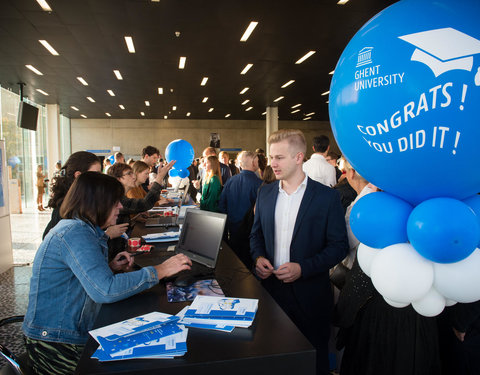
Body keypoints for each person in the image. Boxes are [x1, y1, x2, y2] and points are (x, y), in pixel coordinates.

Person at [23, 172, 191, 374]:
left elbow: (79, 278)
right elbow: (105, 290)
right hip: (57, 343)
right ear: (97, 203)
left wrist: (109, 268)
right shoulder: (76, 233)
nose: (120, 207)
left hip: (64, 332)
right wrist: (161, 270)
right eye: (115, 202)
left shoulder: (82, 229)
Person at [250, 129, 348, 375]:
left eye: (279, 157)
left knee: (314, 363)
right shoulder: (265, 193)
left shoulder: (326, 197)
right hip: (271, 293)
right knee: (276, 360)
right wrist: (259, 257)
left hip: (311, 297)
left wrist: (303, 268)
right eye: (271, 157)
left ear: (298, 157)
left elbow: (339, 247)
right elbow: (256, 236)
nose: (273, 163)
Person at [43, 151, 102, 238]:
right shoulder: (69, 205)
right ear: (78, 175)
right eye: (96, 174)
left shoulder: (76, 200)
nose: (100, 178)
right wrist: (107, 235)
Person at [218, 151, 262, 268]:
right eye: (257, 161)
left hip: (233, 230)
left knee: (235, 264)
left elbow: (222, 205)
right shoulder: (259, 185)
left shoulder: (230, 181)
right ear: (253, 163)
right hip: (251, 234)